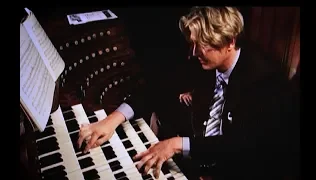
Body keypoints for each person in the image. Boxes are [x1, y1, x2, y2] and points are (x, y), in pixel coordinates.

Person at [78, 6, 300, 179]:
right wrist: (113, 120)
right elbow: (156, 88)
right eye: (193, 44)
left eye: (202, 45)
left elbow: (241, 146)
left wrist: (176, 144)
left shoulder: (265, 80)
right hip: (202, 158)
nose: (194, 53)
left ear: (230, 42)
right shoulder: (203, 61)